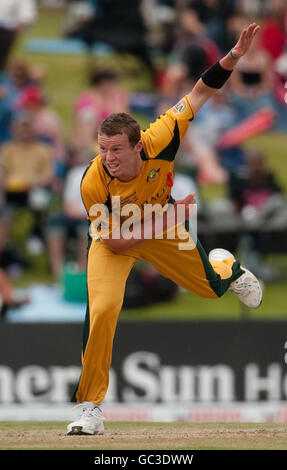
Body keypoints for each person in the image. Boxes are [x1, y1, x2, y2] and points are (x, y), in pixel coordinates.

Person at [67, 23, 263, 436]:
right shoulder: (92, 181)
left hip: (162, 225)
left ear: (139, 145)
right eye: (102, 149)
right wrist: (167, 220)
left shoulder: (162, 135)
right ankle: (90, 408)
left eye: (116, 149)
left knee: (210, 288)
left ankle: (229, 268)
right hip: (117, 238)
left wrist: (233, 56)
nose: (108, 158)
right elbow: (117, 242)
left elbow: (200, 92)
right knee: (102, 310)